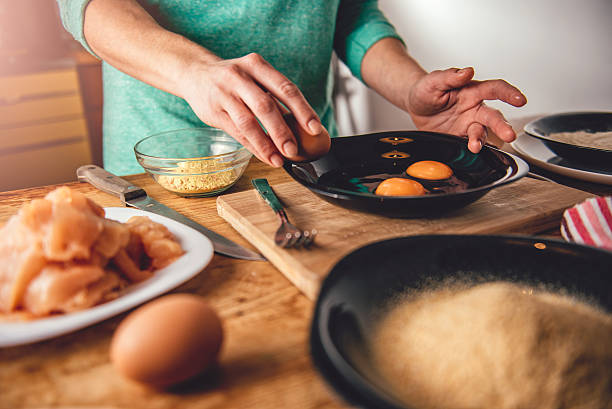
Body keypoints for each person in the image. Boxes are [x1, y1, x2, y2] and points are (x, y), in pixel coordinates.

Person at [57, 0, 526, 175]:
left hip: (311, 164)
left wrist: (411, 89)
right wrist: (193, 72)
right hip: (163, 170)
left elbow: (351, 12)